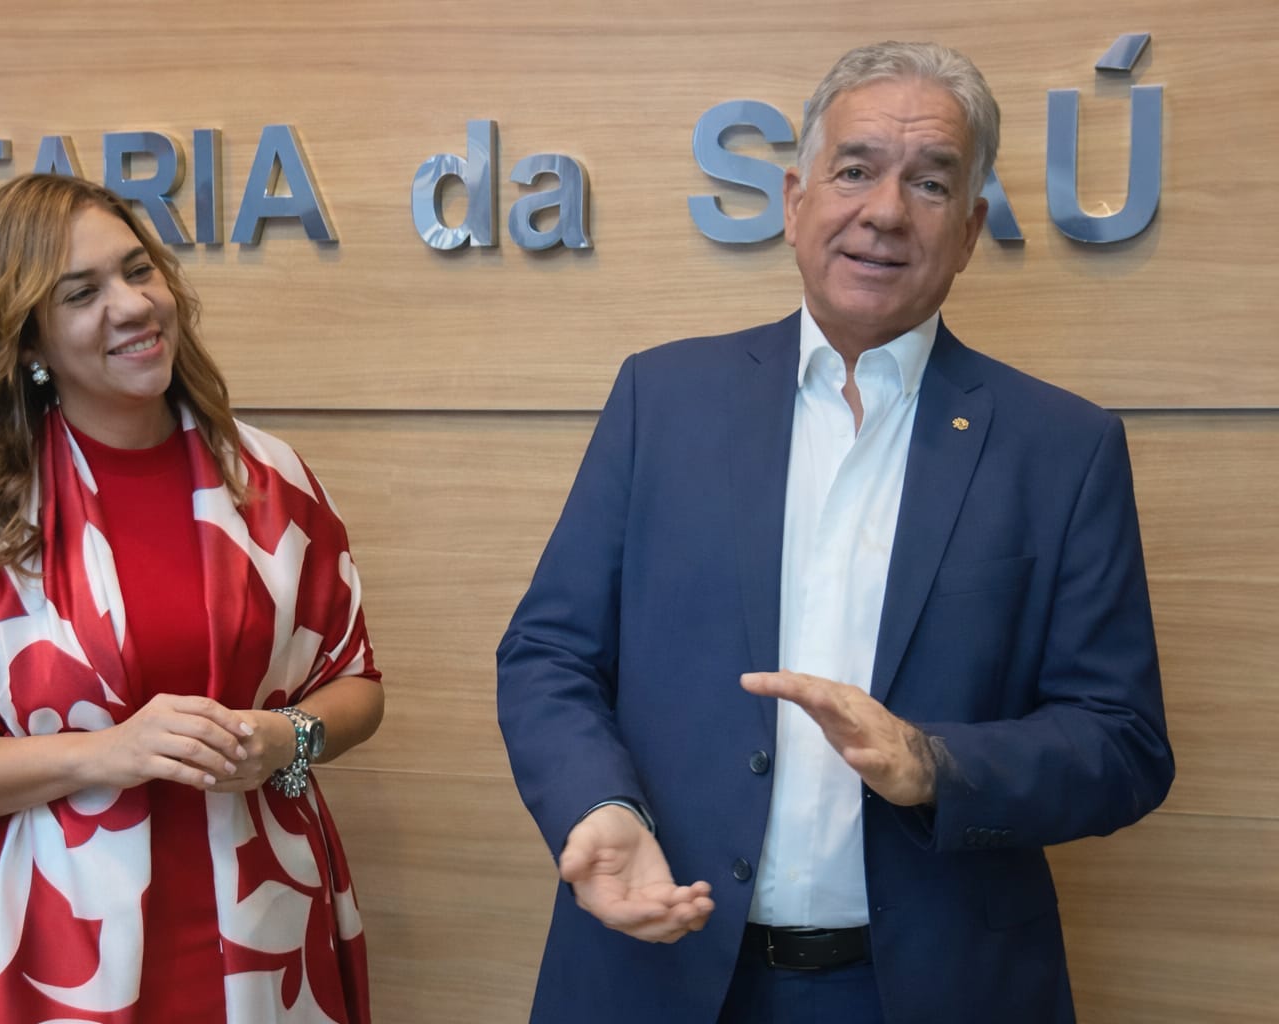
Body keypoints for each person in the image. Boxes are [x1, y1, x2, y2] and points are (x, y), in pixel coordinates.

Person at [497, 41, 1173, 1024]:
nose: (886, 211)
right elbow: (548, 652)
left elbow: (1123, 742)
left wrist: (935, 765)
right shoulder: (662, 398)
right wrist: (599, 804)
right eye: (855, 170)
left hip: (929, 988)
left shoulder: (1063, 448)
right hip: (660, 969)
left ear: (970, 229)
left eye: (930, 182)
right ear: (794, 201)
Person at [0, 173, 384, 1023]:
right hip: (45, 955)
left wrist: (289, 738)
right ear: (27, 338)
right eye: (82, 293)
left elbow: (356, 685)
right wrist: (105, 754)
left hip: (266, 940)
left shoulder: (269, 479)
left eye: (139, 271)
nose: (133, 306)